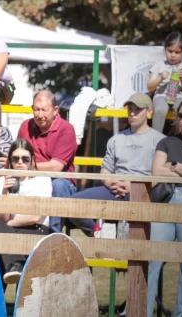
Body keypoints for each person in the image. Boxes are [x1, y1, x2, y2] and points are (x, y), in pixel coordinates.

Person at [64, 93, 165, 236]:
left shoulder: (161, 140)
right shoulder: (116, 139)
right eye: (130, 108)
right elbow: (105, 170)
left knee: (137, 244)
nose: (132, 112)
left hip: (144, 193)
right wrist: (112, 182)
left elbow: (160, 174)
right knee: (71, 203)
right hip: (115, 189)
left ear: (149, 112)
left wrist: (135, 186)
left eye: (137, 109)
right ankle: (98, 234)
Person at [147, 99, 182, 317]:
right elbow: (156, 171)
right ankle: (143, 311)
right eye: (181, 115)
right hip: (166, 200)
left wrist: (174, 165)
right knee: (152, 260)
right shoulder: (166, 142)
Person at [0, 139, 52, 286]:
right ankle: (16, 266)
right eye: (15, 159)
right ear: (10, 161)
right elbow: (2, 217)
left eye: (25, 159)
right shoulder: (3, 180)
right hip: (10, 230)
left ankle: (16, 266)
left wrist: (7, 222)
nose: (20, 162)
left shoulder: (42, 180)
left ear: (32, 160)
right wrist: (4, 192)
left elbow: (36, 217)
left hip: (36, 230)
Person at [17, 90, 77, 232]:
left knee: (59, 185)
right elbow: (17, 154)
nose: (39, 115)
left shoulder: (66, 129)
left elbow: (56, 167)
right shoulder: (25, 126)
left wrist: (28, 167)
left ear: (56, 110)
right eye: (36, 109)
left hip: (58, 180)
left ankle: (52, 234)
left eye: (44, 110)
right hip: (30, 178)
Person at [147, 32, 182, 134]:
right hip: (161, 95)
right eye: (170, 51)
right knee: (160, 109)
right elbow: (150, 87)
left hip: (179, 96)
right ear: (165, 49)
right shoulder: (158, 65)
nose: (173, 55)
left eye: (177, 52)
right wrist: (160, 78)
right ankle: (156, 138)